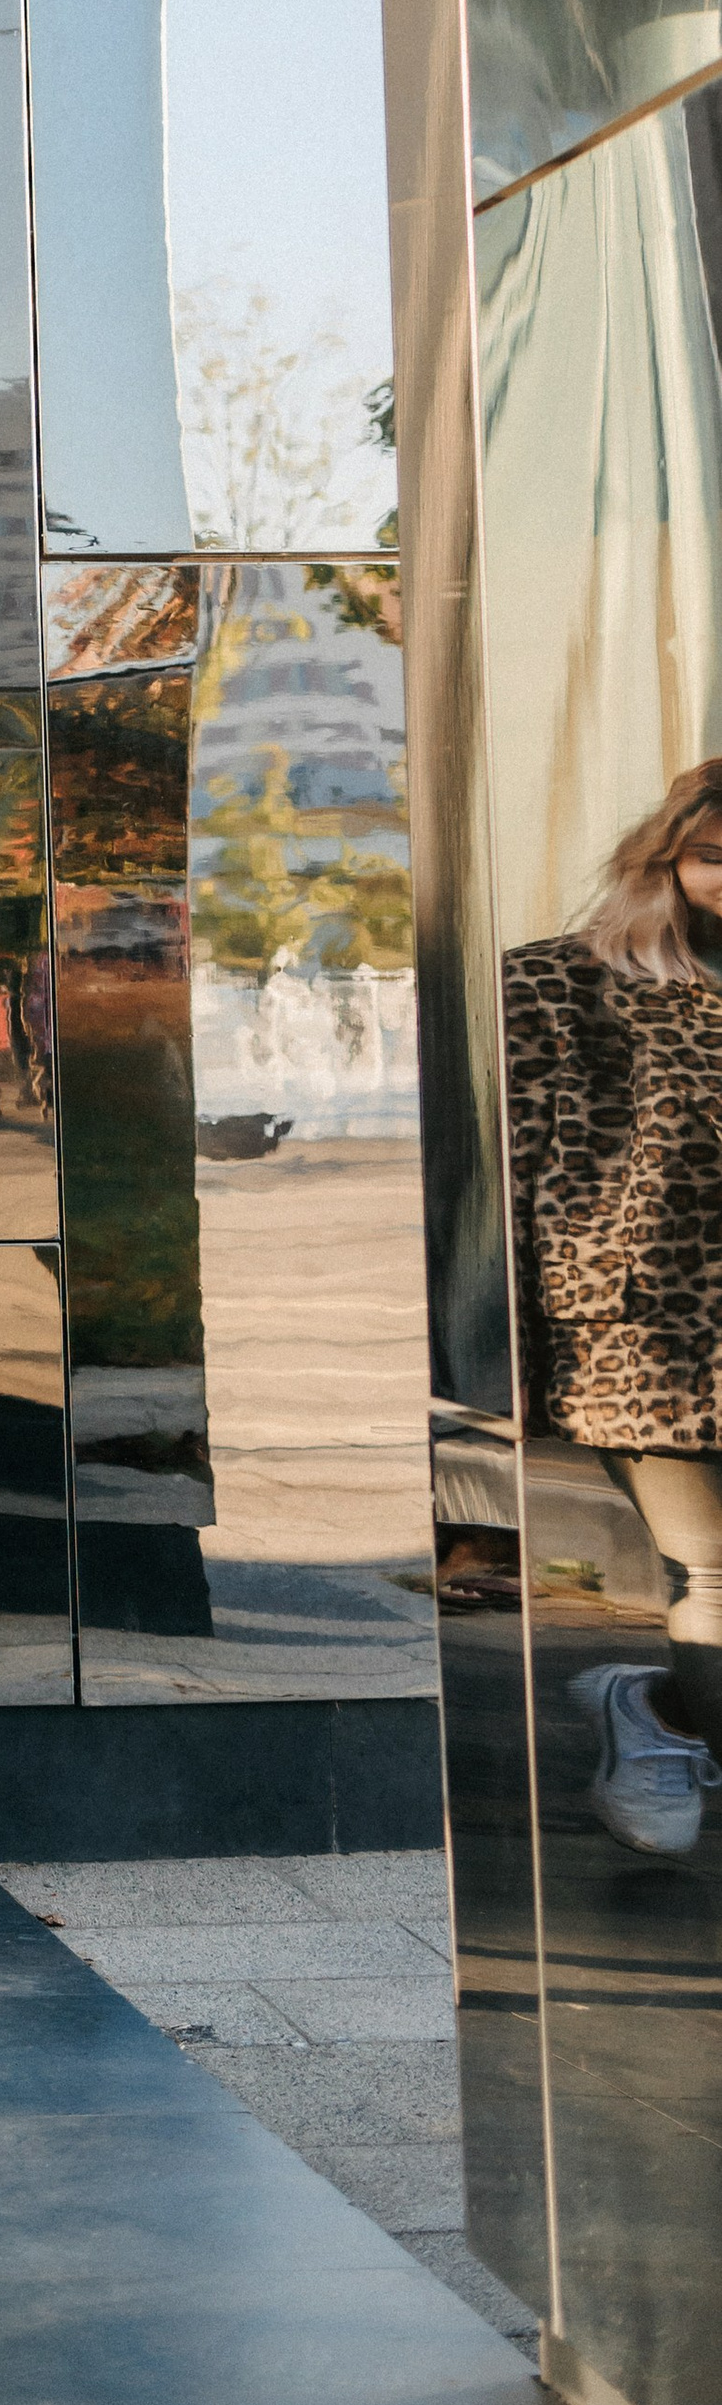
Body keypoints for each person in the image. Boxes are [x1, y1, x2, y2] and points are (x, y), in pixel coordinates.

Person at [506, 757, 722, 1856]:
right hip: (654, 1330)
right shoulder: (562, 984)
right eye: (714, 854)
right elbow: (506, 1168)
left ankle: (654, 1714)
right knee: (711, 1571)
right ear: (666, 859)